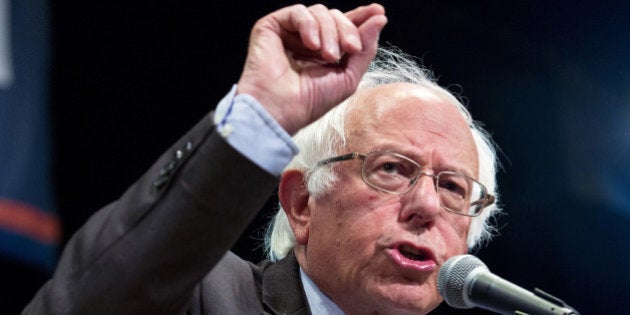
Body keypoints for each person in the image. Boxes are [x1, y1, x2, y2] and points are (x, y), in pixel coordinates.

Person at [23, 3, 500, 315]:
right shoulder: (205, 297)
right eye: (392, 168)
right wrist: (261, 115)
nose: (427, 206)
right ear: (302, 204)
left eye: (453, 187)